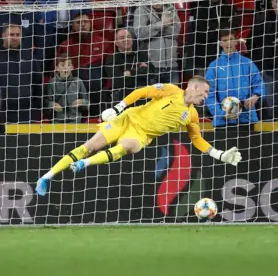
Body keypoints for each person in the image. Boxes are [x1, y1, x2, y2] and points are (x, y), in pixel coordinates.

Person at [35, 77, 243, 197]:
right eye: (205, 92)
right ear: (194, 86)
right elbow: (142, 92)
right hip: (127, 118)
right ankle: (46, 177)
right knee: (90, 145)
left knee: (129, 145)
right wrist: (118, 108)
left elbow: (197, 140)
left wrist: (219, 154)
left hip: (141, 134)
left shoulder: (193, 115)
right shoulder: (171, 90)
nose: (206, 97)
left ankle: (84, 164)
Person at [44, 54, 88, 122]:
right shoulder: (51, 83)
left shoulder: (78, 82)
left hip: (75, 120)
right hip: (57, 121)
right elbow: (45, 102)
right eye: (62, 65)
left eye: (69, 65)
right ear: (57, 68)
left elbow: (88, 103)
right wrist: (52, 105)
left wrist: (82, 102)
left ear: (72, 67)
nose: (66, 68)